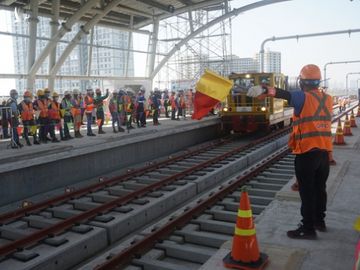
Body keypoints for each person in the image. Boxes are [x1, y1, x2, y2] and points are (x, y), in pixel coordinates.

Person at [247, 64, 332, 240]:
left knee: (307, 192)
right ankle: (319, 221)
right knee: (320, 189)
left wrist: (263, 88)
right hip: (324, 153)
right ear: (318, 82)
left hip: (307, 153)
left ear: (302, 82)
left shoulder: (303, 98)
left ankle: (307, 229)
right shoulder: (328, 98)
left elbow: (281, 93)